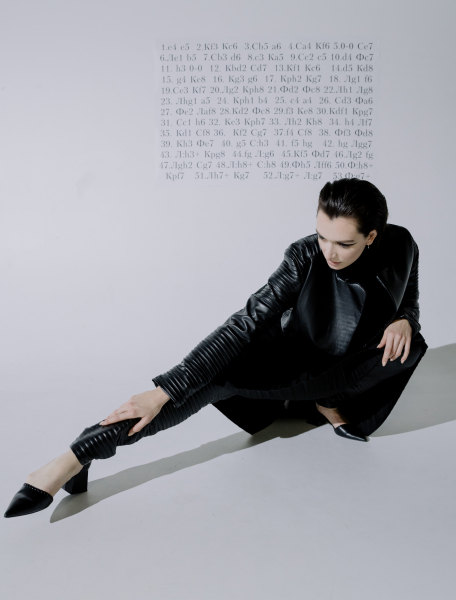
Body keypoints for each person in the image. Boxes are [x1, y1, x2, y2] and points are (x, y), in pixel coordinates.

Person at [4, 178, 428, 518]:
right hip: (294, 361)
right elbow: (245, 322)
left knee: (410, 348)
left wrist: (405, 319)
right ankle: (77, 455)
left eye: (344, 244)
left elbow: (407, 294)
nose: (329, 252)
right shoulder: (303, 256)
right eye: (322, 237)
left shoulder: (403, 244)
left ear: (372, 236)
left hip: (347, 364)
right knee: (211, 382)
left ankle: (328, 401)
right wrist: (165, 389)